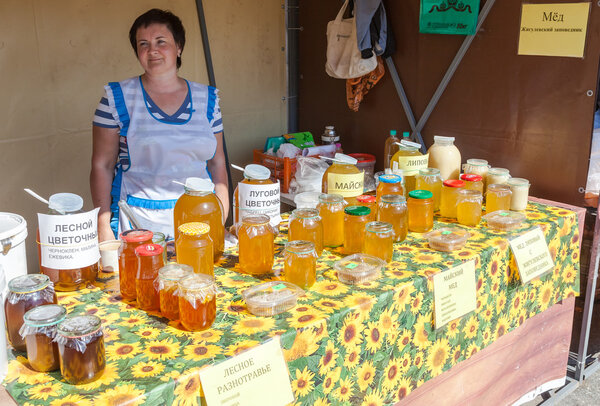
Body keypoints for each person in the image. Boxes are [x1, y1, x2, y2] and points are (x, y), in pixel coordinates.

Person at [91, 9, 229, 242]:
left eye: (161, 42)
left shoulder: (207, 99)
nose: (152, 50)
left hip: (200, 219)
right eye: (143, 44)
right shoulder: (118, 98)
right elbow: (101, 165)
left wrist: (220, 219)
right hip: (139, 222)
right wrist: (103, 228)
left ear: (179, 47)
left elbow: (218, 163)